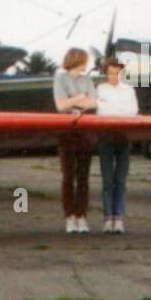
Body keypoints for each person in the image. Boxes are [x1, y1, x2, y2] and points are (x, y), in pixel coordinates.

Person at [53, 48, 97, 233]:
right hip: (67, 130)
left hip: (84, 130)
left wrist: (72, 100)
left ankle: (81, 216)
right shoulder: (60, 78)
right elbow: (60, 105)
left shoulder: (86, 79)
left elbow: (94, 103)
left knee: (83, 176)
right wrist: (80, 98)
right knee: (68, 175)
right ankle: (70, 216)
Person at [94, 56, 138, 233]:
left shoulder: (128, 90)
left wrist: (115, 111)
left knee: (120, 180)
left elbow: (133, 111)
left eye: (117, 72)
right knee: (107, 180)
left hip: (123, 136)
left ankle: (118, 218)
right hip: (105, 136)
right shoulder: (100, 89)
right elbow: (101, 111)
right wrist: (118, 111)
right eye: (110, 73)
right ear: (106, 73)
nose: (114, 76)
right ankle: (107, 218)